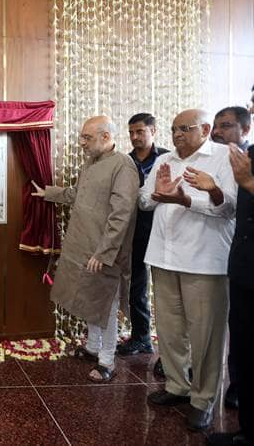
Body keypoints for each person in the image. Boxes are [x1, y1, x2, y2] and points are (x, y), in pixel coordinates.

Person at [141, 109, 237, 432]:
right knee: (169, 330)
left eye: (185, 128)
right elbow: (144, 200)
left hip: (204, 262)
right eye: (173, 129)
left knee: (206, 335)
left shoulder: (224, 157)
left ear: (206, 129)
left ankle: (203, 400)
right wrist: (157, 194)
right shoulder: (164, 160)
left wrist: (188, 200)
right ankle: (176, 386)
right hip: (164, 257)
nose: (177, 134)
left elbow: (230, 208)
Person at [32, 115, 139, 382]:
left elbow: (121, 215)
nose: (82, 143)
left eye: (87, 138)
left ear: (106, 137)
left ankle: (107, 361)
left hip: (105, 252)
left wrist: (104, 253)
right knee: (90, 299)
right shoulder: (91, 162)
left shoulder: (123, 166)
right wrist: (49, 193)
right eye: (82, 137)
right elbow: (77, 194)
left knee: (105, 305)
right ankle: (92, 347)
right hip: (83, 246)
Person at [207, 141, 254, 446]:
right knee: (244, 352)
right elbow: (232, 210)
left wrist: (250, 182)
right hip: (244, 268)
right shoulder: (248, 155)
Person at [210, 106, 251, 410]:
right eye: (216, 125)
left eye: (226, 126)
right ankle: (237, 386)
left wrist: (247, 182)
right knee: (239, 333)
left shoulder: (245, 161)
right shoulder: (214, 158)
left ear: (245, 130)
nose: (218, 131)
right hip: (238, 260)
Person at [117, 113, 168, 356]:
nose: (135, 137)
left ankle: (170, 350)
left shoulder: (167, 158)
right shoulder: (125, 162)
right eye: (131, 132)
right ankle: (141, 337)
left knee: (168, 290)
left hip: (164, 232)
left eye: (140, 131)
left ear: (153, 131)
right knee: (136, 286)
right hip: (135, 231)